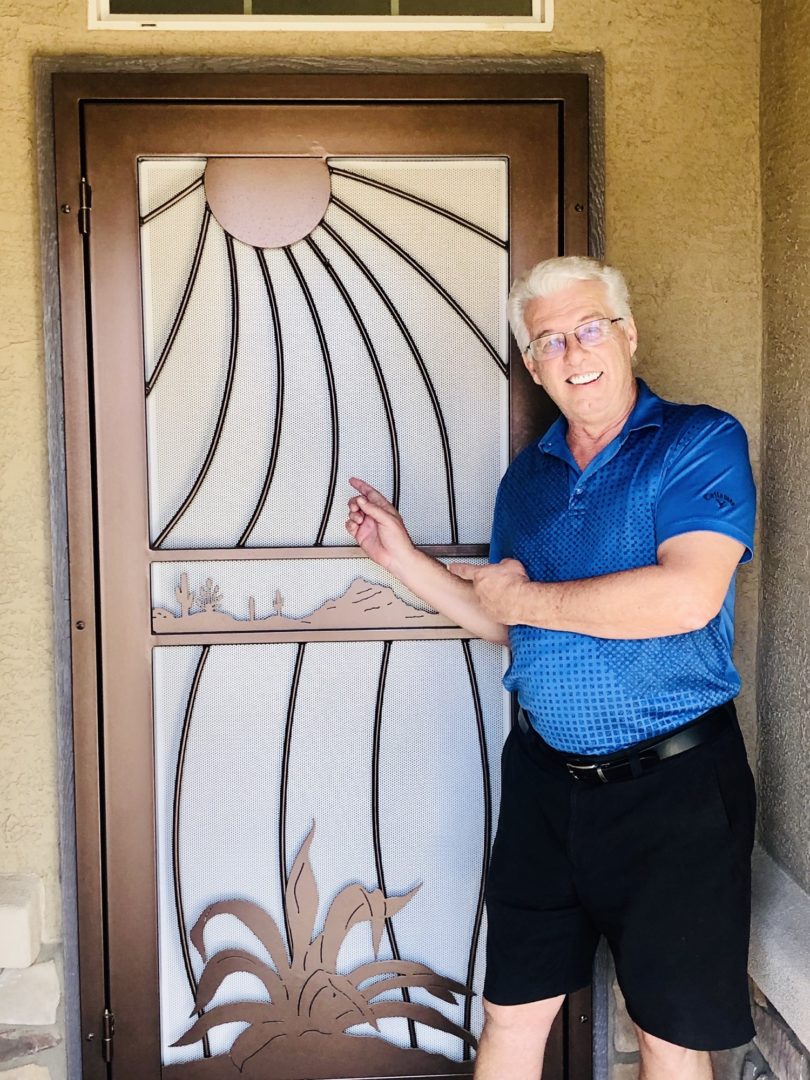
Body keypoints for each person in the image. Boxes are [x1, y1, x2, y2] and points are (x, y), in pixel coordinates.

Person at [345, 256, 756, 1080]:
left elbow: (686, 599)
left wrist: (528, 600)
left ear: (629, 334)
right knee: (512, 1013)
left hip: (675, 789)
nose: (574, 352)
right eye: (550, 341)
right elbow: (504, 620)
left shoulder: (698, 441)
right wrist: (404, 561)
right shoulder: (526, 480)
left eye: (590, 328)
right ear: (533, 364)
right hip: (543, 785)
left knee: (669, 1037)